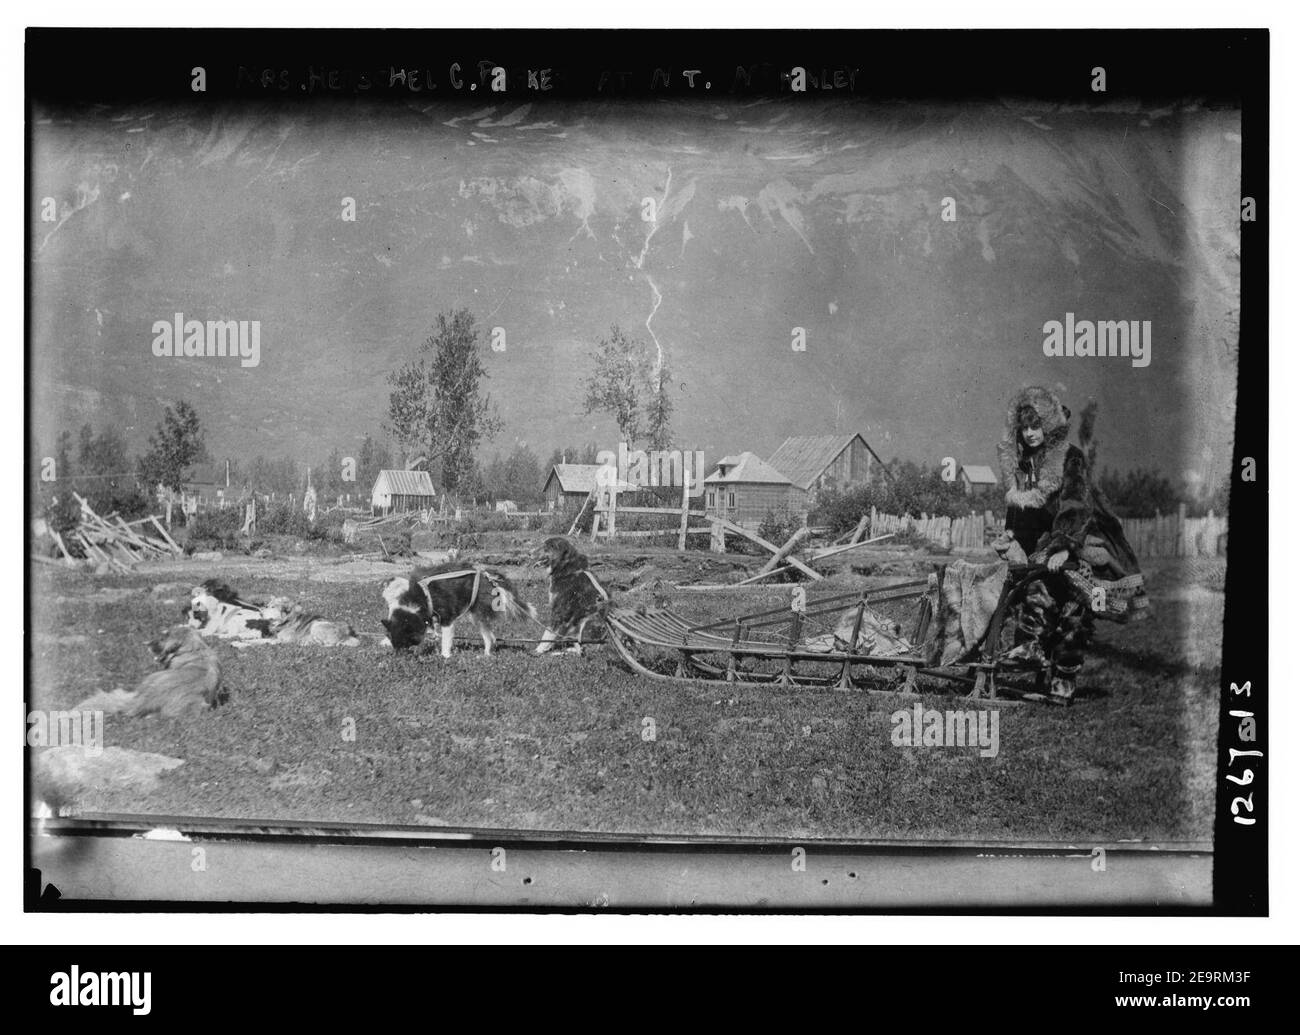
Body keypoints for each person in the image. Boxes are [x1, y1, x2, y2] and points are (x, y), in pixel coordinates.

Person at [993, 386, 1145, 705]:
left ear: (1050, 425)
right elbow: (1019, 509)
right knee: (1036, 593)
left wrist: (1064, 545)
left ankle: (1063, 683)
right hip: (1042, 549)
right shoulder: (1023, 465)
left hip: (1081, 542)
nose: (1031, 434)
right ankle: (1030, 651)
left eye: (1037, 426)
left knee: (1074, 612)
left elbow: (1076, 505)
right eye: (1025, 428)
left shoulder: (1069, 457)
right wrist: (1009, 537)